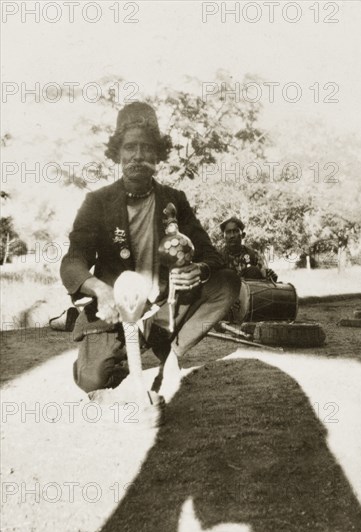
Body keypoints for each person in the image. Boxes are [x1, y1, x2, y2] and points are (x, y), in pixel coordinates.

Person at [60, 102, 240, 397]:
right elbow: (72, 261)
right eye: (130, 147)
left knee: (228, 283)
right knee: (92, 379)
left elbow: (211, 255)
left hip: (164, 308)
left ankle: (171, 354)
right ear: (118, 153)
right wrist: (100, 290)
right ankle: (120, 353)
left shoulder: (175, 200)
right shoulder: (97, 202)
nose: (139, 156)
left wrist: (199, 270)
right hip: (115, 311)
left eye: (147, 148)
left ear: (158, 156)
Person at [219, 216, 277, 281]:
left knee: (253, 270)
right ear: (223, 237)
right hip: (226, 289)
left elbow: (264, 275)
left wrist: (270, 276)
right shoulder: (217, 257)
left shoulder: (253, 255)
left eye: (235, 231)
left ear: (243, 235)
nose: (232, 235)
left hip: (251, 290)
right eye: (228, 232)